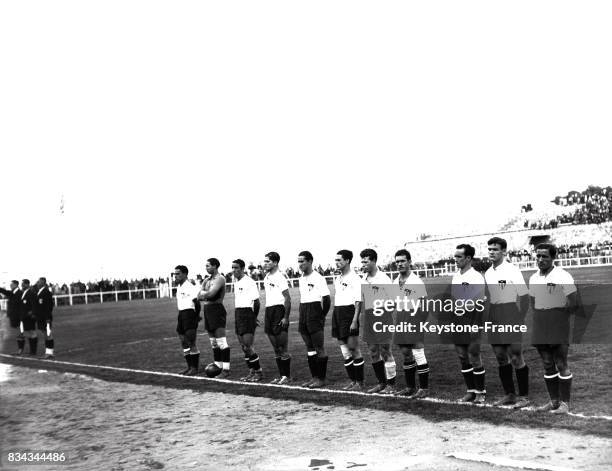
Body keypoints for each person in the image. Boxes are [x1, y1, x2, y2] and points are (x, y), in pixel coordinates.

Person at [529, 243, 577, 414]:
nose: (540, 259)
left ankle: (565, 404)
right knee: (547, 363)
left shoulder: (562, 275)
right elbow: (533, 303)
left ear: (553, 258)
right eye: (538, 256)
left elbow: (573, 303)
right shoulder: (534, 278)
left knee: (561, 363)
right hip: (540, 323)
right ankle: (554, 401)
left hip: (558, 323)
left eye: (545, 256)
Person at [484, 237, 530, 408]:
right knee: (501, 357)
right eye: (489, 249)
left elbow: (524, 296)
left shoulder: (512, 270)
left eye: (495, 249)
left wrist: (520, 317)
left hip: (510, 312)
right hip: (494, 315)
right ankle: (509, 394)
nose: (491, 252)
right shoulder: (488, 273)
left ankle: (524, 397)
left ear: (503, 251)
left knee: (516, 356)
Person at [451, 244, 486, 404]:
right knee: (462, 356)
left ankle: (480, 393)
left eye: (459, 257)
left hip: (472, 319)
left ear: (468, 258)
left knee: (474, 355)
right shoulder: (456, 276)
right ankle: (470, 391)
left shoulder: (476, 277)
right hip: (458, 321)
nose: (456, 259)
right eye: (455, 256)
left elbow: (478, 302)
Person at [392, 249, 430, 399]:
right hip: (401, 318)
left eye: (402, 261)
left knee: (418, 353)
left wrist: (418, 322)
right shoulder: (395, 281)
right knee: (406, 354)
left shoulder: (416, 281)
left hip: (414, 318)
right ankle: (410, 387)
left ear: (409, 262)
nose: (399, 264)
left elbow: (425, 305)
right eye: (397, 261)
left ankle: (424, 388)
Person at [360, 248, 397, 394]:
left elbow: (393, 301)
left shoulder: (383, 278)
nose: (363, 264)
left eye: (366, 261)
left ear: (374, 261)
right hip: (369, 317)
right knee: (373, 352)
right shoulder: (364, 279)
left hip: (382, 316)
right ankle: (381, 383)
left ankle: (391, 385)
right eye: (361, 261)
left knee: (385, 351)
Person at [332, 250, 365, 391]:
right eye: (336, 260)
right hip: (337, 313)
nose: (337, 262)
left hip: (349, 313)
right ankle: (353, 381)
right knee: (345, 351)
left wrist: (354, 320)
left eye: (339, 260)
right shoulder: (337, 278)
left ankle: (360, 382)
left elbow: (358, 301)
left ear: (347, 261)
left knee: (354, 349)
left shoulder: (355, 278)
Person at [297, 251, 331, 388]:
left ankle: (321, 379)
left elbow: (327, 299)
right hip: (303, 311)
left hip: (314, 311)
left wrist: (322, 315)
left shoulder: (318, 278)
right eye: (298, 261)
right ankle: (314, 377)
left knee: (319, 347)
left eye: (302, 261)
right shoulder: (300, 278)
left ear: (310, 261)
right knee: (309, 348)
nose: (300, 264)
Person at [231, 259, 263, 382]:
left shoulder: (249, 282)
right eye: (232, 268)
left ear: (243, 268)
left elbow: (257, 302)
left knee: (248, 346)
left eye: (236, 268)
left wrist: (254, 317)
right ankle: (251, 371)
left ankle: (259, 372)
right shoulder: (236, 282)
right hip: (238, 313)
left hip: (247, 314)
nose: (234, 270)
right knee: (243, 346)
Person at [262, 252, 292, 384]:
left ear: (275, 262)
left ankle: (287, 376)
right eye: (265, 261)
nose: (265, 263)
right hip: (269, 310)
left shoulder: (280, 277)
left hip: (279, 310)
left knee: (282, 347)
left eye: (268, 261)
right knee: (276, 348)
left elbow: (288, 298)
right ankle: (281, 375)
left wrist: (285, 317)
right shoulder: (266, 277)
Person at [198, 258, 230, 378]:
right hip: (207, 310)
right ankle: (218, 366)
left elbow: (211, 295)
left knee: (221, 342)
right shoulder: (206, 280)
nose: (206, 268)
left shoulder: (220, 278)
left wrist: (205, 294)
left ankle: (226, 370)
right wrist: (207, 294)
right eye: (205, 266)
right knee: (214, 343)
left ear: (215, 266)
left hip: (217, 310)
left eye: (208, 266)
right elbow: (198, 296)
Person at [174, 265, 201, 375]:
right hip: (181, 314)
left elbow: (197, 303)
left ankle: (194, 368)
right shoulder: (179, 287)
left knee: (191, 342)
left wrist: (196, 316)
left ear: (185, 274)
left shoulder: (190, 286)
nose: (175, 276)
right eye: (175, 274)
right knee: (183, 342)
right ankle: (189, 366)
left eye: (178, 273)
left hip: (189, 314)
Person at [0, 280, 24, 354]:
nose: (10, 286)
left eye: (12, 284)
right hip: (13, 315)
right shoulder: (13, 292)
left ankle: (21, 350)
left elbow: (6, 292)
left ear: (16, 285)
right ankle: (20, 349)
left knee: (20, 332)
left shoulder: (19, 293)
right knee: (18, 332)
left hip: (18, 316)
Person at [33, 277, 54, 359]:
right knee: (45, 334)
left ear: (43, 283)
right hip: (40, 317)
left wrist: (48, 318)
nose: (37, 283)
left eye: (38, 282)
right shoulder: (39, 292)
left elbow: (49, 306)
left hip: (45, 318)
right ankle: (48, 352)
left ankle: (49, 353)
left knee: (48, 334)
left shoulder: (46, 292)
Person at [19, 279, 38, 355]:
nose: (22, 285)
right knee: (29, 332)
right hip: (24, 316)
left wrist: (32, 312)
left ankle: (33, 351)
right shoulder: (24, 293)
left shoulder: (31, 293)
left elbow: (35, 304)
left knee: (32, 332)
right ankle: (32, 351)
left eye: (23, 284)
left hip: (30, 316)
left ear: (27, 284)